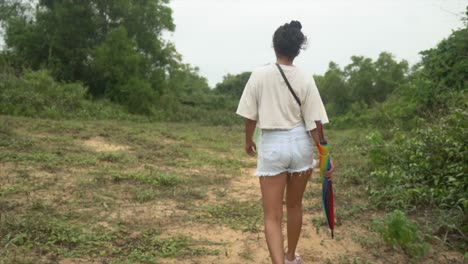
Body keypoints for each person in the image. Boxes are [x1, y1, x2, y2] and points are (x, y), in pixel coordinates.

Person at [236, 21, 334, 264]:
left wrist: (249, 141)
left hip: (272, 145)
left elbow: (250, 117)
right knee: (294, 206)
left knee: (272, 216)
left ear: (274, 46)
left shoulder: (259, 75)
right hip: (300, 145)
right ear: (297, 49)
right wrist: (325, 155)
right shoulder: (306, 77)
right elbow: (315, 123)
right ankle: (291, 257)